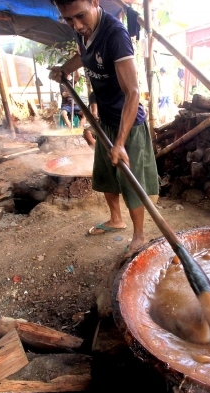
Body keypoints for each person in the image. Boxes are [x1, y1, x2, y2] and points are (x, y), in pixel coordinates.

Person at [49, 0, 159, 255]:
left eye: (80, 16)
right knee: (106, 175)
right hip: (106, 121)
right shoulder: (82, 29)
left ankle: (140, 235)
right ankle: (116, 219)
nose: (76, 25)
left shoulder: (115, 34)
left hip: (127, 123)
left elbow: (132, 92)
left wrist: (120, 142)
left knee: (131, 182)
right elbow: (83, 55)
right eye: (68, 20)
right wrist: (64, 69)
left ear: (95, 3)